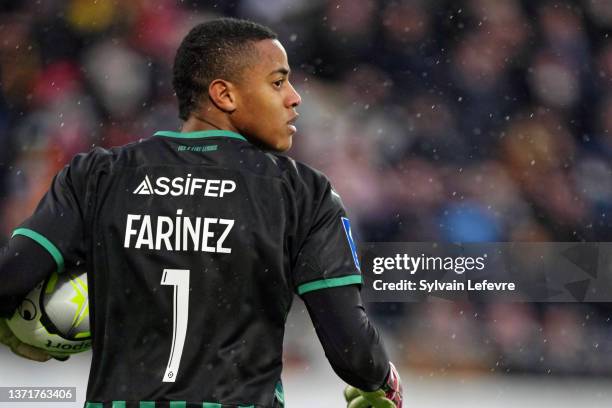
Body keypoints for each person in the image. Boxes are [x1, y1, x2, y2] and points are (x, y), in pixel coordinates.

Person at [0, 18, 402, 408]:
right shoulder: (303, 192)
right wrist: (382, 379)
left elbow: (12, 277)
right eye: (278, 82)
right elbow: (352, 349)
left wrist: (16, 322)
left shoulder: (98, 175)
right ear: (224, 95)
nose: (294, 96)